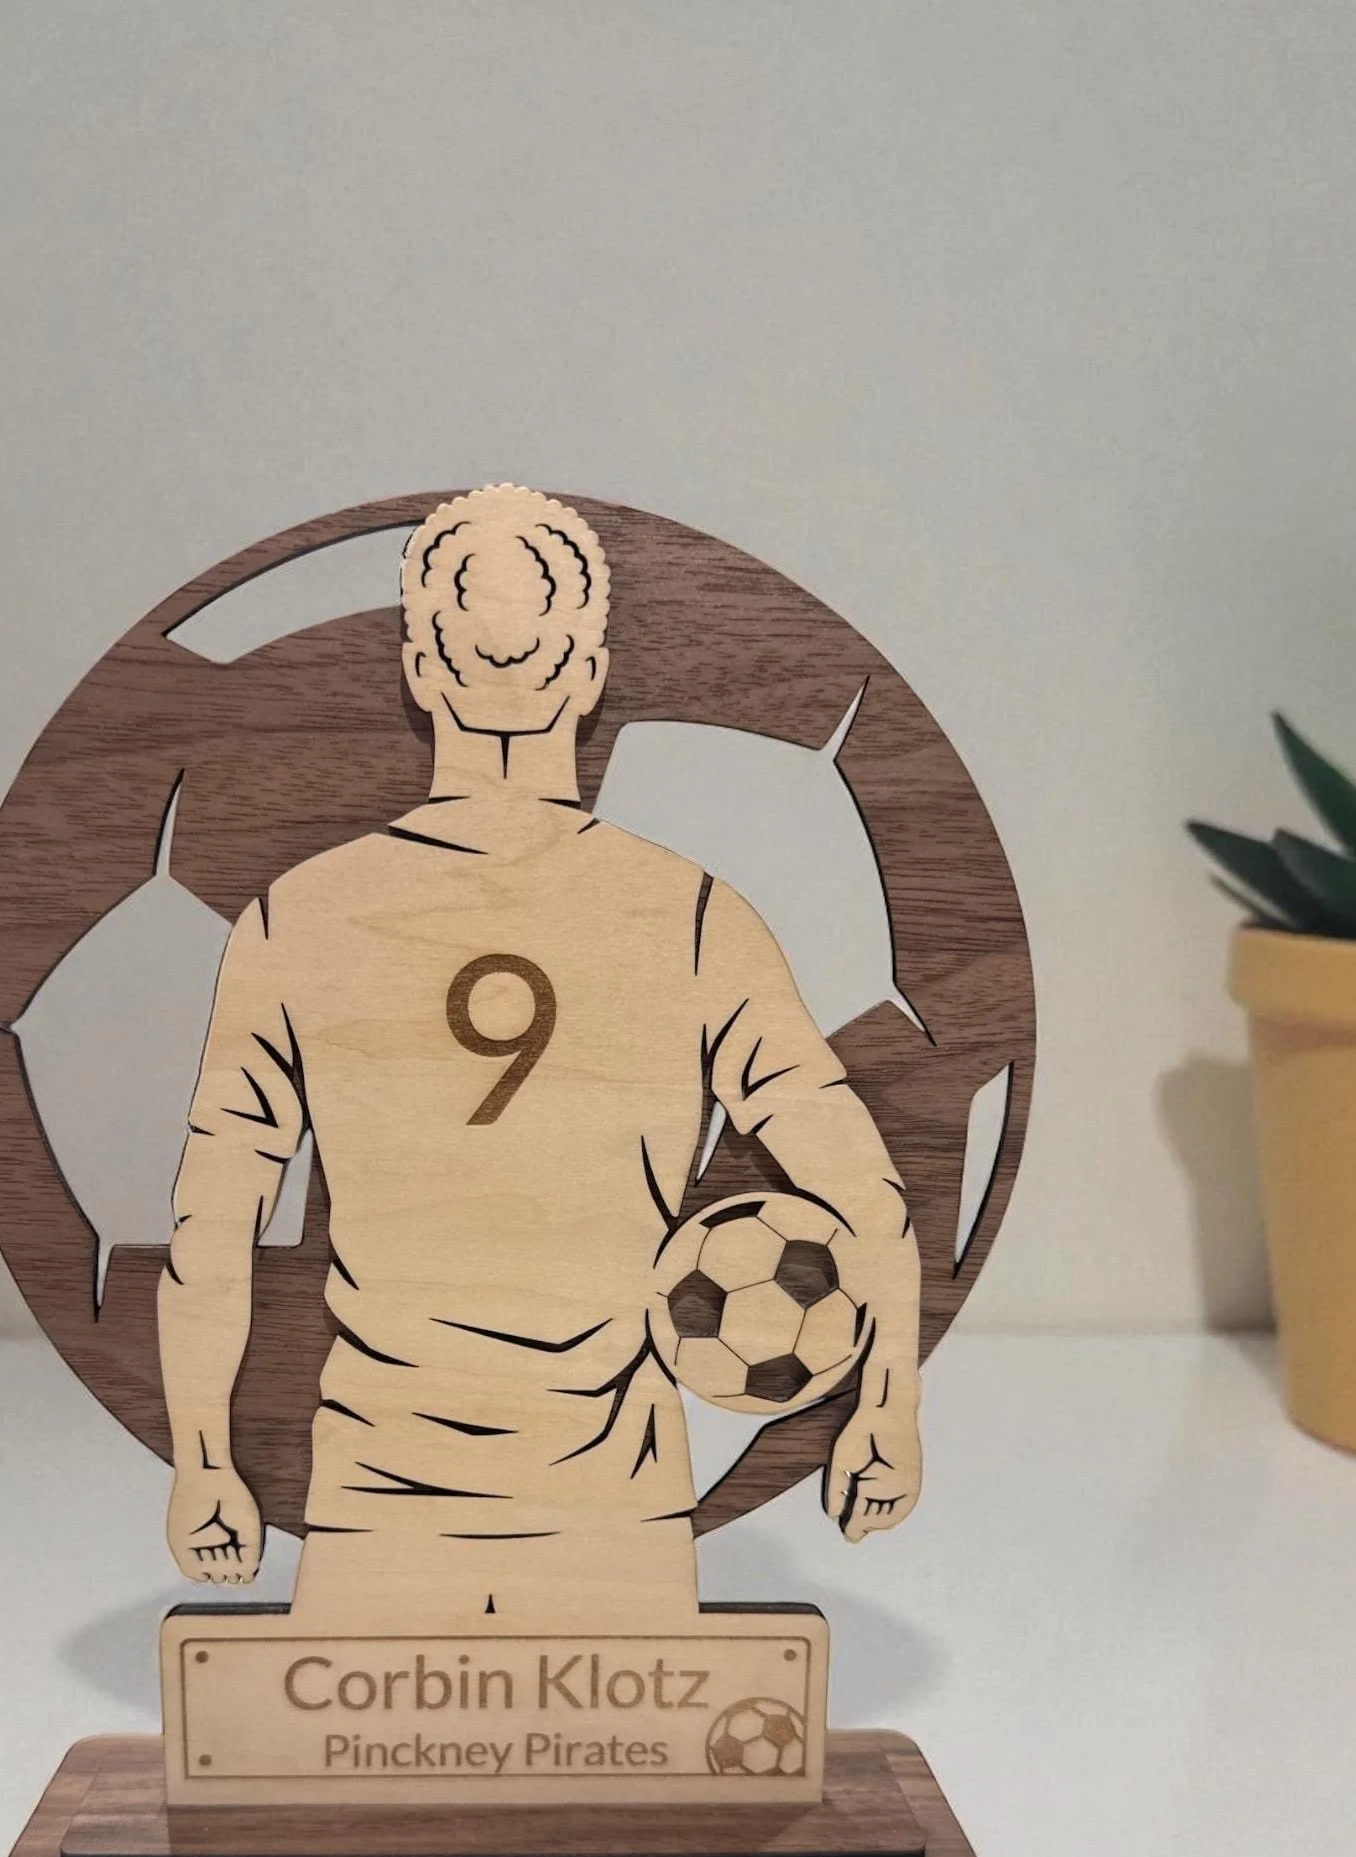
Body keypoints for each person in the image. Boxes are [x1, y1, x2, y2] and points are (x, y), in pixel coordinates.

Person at [158, 485, 921, 1631]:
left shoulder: (299, 919)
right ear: (590, 673)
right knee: (637, 1751)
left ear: (420, 671)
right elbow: (866, 1193)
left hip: (380, 1492)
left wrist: (204, 1459)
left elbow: (211, 1228)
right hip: (616, 1499)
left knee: (368, 1749)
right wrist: (890, 1402)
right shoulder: (694, 918)